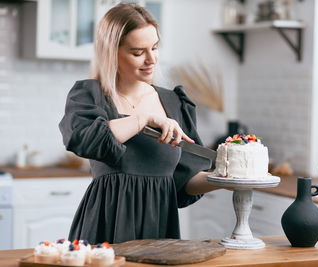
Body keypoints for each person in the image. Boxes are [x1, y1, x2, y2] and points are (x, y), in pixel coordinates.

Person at [59, 2, 221, 244]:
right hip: (105, 228)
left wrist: (225, 180)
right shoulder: (91, 96)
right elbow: (85, 139)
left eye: (154, 48)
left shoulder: (174, 102)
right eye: (138, 52)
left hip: (159, 230)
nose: (151, 59)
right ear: (112, 52)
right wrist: (143, 118)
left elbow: (183, 184)